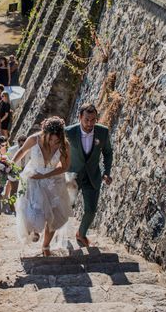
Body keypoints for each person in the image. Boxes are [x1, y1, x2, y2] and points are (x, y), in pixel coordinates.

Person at [13, 117, 72, 257]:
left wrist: (45, 176)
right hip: (33, 179)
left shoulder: (65, 145)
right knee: (32, 210)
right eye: (50, 139)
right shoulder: (34, 139)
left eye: (56, 141)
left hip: (53, 182)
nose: (53, 143)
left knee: (55, 215)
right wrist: (9, 164)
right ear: (44, 133)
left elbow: (64, 167)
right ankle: (33, 230)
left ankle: (46, 246)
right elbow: (21, 152)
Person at [65, 104, 113, 248]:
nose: (90, 123)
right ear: (80, 117)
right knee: (66, 207)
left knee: (91, 210)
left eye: (93, 120)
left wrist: (106, 172)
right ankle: (54, 235)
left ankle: (81, 234)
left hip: (93, 176)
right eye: (86, 120)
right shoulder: (69, 132)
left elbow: (108, 153)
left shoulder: (102, 132)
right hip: (72, 176)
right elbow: (59, 151)